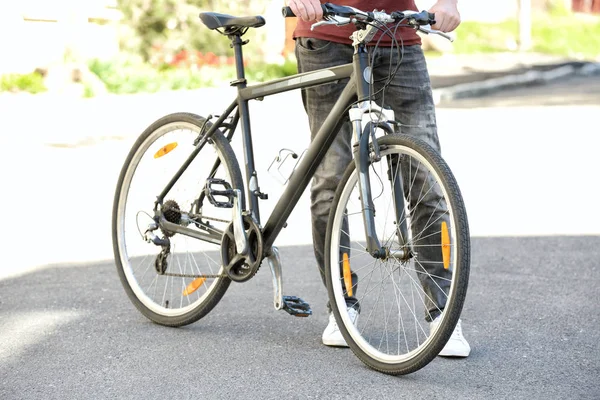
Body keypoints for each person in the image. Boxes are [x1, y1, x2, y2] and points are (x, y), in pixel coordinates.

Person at [286, 0, 471, 357]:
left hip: (396, 33)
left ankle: (443, 311)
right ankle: (342, 305)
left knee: (427, 179)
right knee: (331, 178)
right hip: (326, 35)